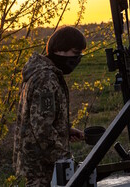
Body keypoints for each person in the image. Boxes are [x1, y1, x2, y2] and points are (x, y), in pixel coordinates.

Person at [13, 26, 87, 186]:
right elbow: (42, 129)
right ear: (59, 50)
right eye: (75, 53)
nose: (78, 58)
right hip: (42, 168)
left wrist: (65, 130)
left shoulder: (41, 74)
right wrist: (65, 158)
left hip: (40, 164)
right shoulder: (46, 79)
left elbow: (38, 117)